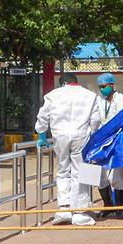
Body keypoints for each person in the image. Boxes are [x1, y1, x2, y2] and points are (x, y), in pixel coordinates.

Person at [35, 73, 100, 226]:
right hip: (81, 136)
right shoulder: (90, 96)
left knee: (63, 171)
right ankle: (79, 212)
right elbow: (96, 120)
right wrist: (92, 133)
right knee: (80, 172)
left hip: (60, 136)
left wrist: (42, 136)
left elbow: (42, 117)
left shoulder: (53, 95)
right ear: (76, 82)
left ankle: (63, 208)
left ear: (63, 83)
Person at [95, 73, 123, 219]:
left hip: (118, 142)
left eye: (104, 86)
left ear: (111, 85)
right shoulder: (98, 102)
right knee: (98, 175)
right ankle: (108, 205)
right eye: (100, 87)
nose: (102, 89)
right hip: (101, 143)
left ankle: (120, 208)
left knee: (118, 175)